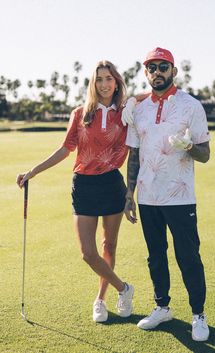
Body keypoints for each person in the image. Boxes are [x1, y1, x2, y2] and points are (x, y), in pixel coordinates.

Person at [16, 60, 134, 323]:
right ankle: (123, 288)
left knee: (109, 245)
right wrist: (33, 171)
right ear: (93, 83)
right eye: (99, 79)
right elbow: (64, 149)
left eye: (109, 79)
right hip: (84, 185)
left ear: (117, 83)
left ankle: (101, 300)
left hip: (112, 184)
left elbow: (154, 98)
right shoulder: (80, 114)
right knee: (88, 253)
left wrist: (134, 101)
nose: (104, 84)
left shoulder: (125, 114)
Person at [124, 47, 210, 341]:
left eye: (163, 67)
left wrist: (189, 147)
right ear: (146, 73)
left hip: (180, 197)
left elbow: (205, 154)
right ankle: (162, 307)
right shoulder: (138, 107)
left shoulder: (191, 106)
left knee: (188, 256)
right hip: (148, 197)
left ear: (174, 71)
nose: (157, 72)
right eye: (151, 67)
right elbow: (133, 155)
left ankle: (198, 314)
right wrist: (129, 195)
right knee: (155, 256)